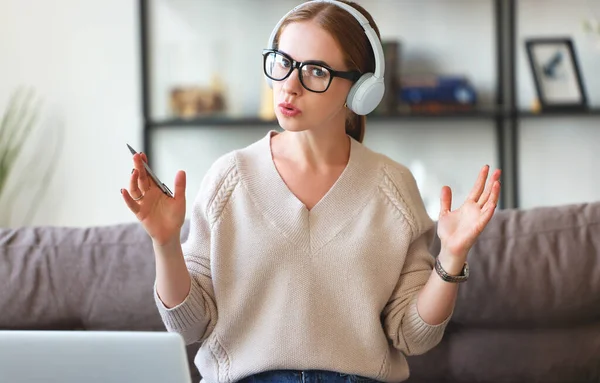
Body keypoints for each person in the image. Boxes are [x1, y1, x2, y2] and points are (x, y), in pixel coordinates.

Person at [121, 1, 501, 382]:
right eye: (282, 62)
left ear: (361, 89)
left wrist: (451, 256)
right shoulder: (228, 179)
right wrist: (166, 243)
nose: (289, 85)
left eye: (315, 71)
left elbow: (413, 335)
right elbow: (188, 328)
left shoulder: (394, 188)